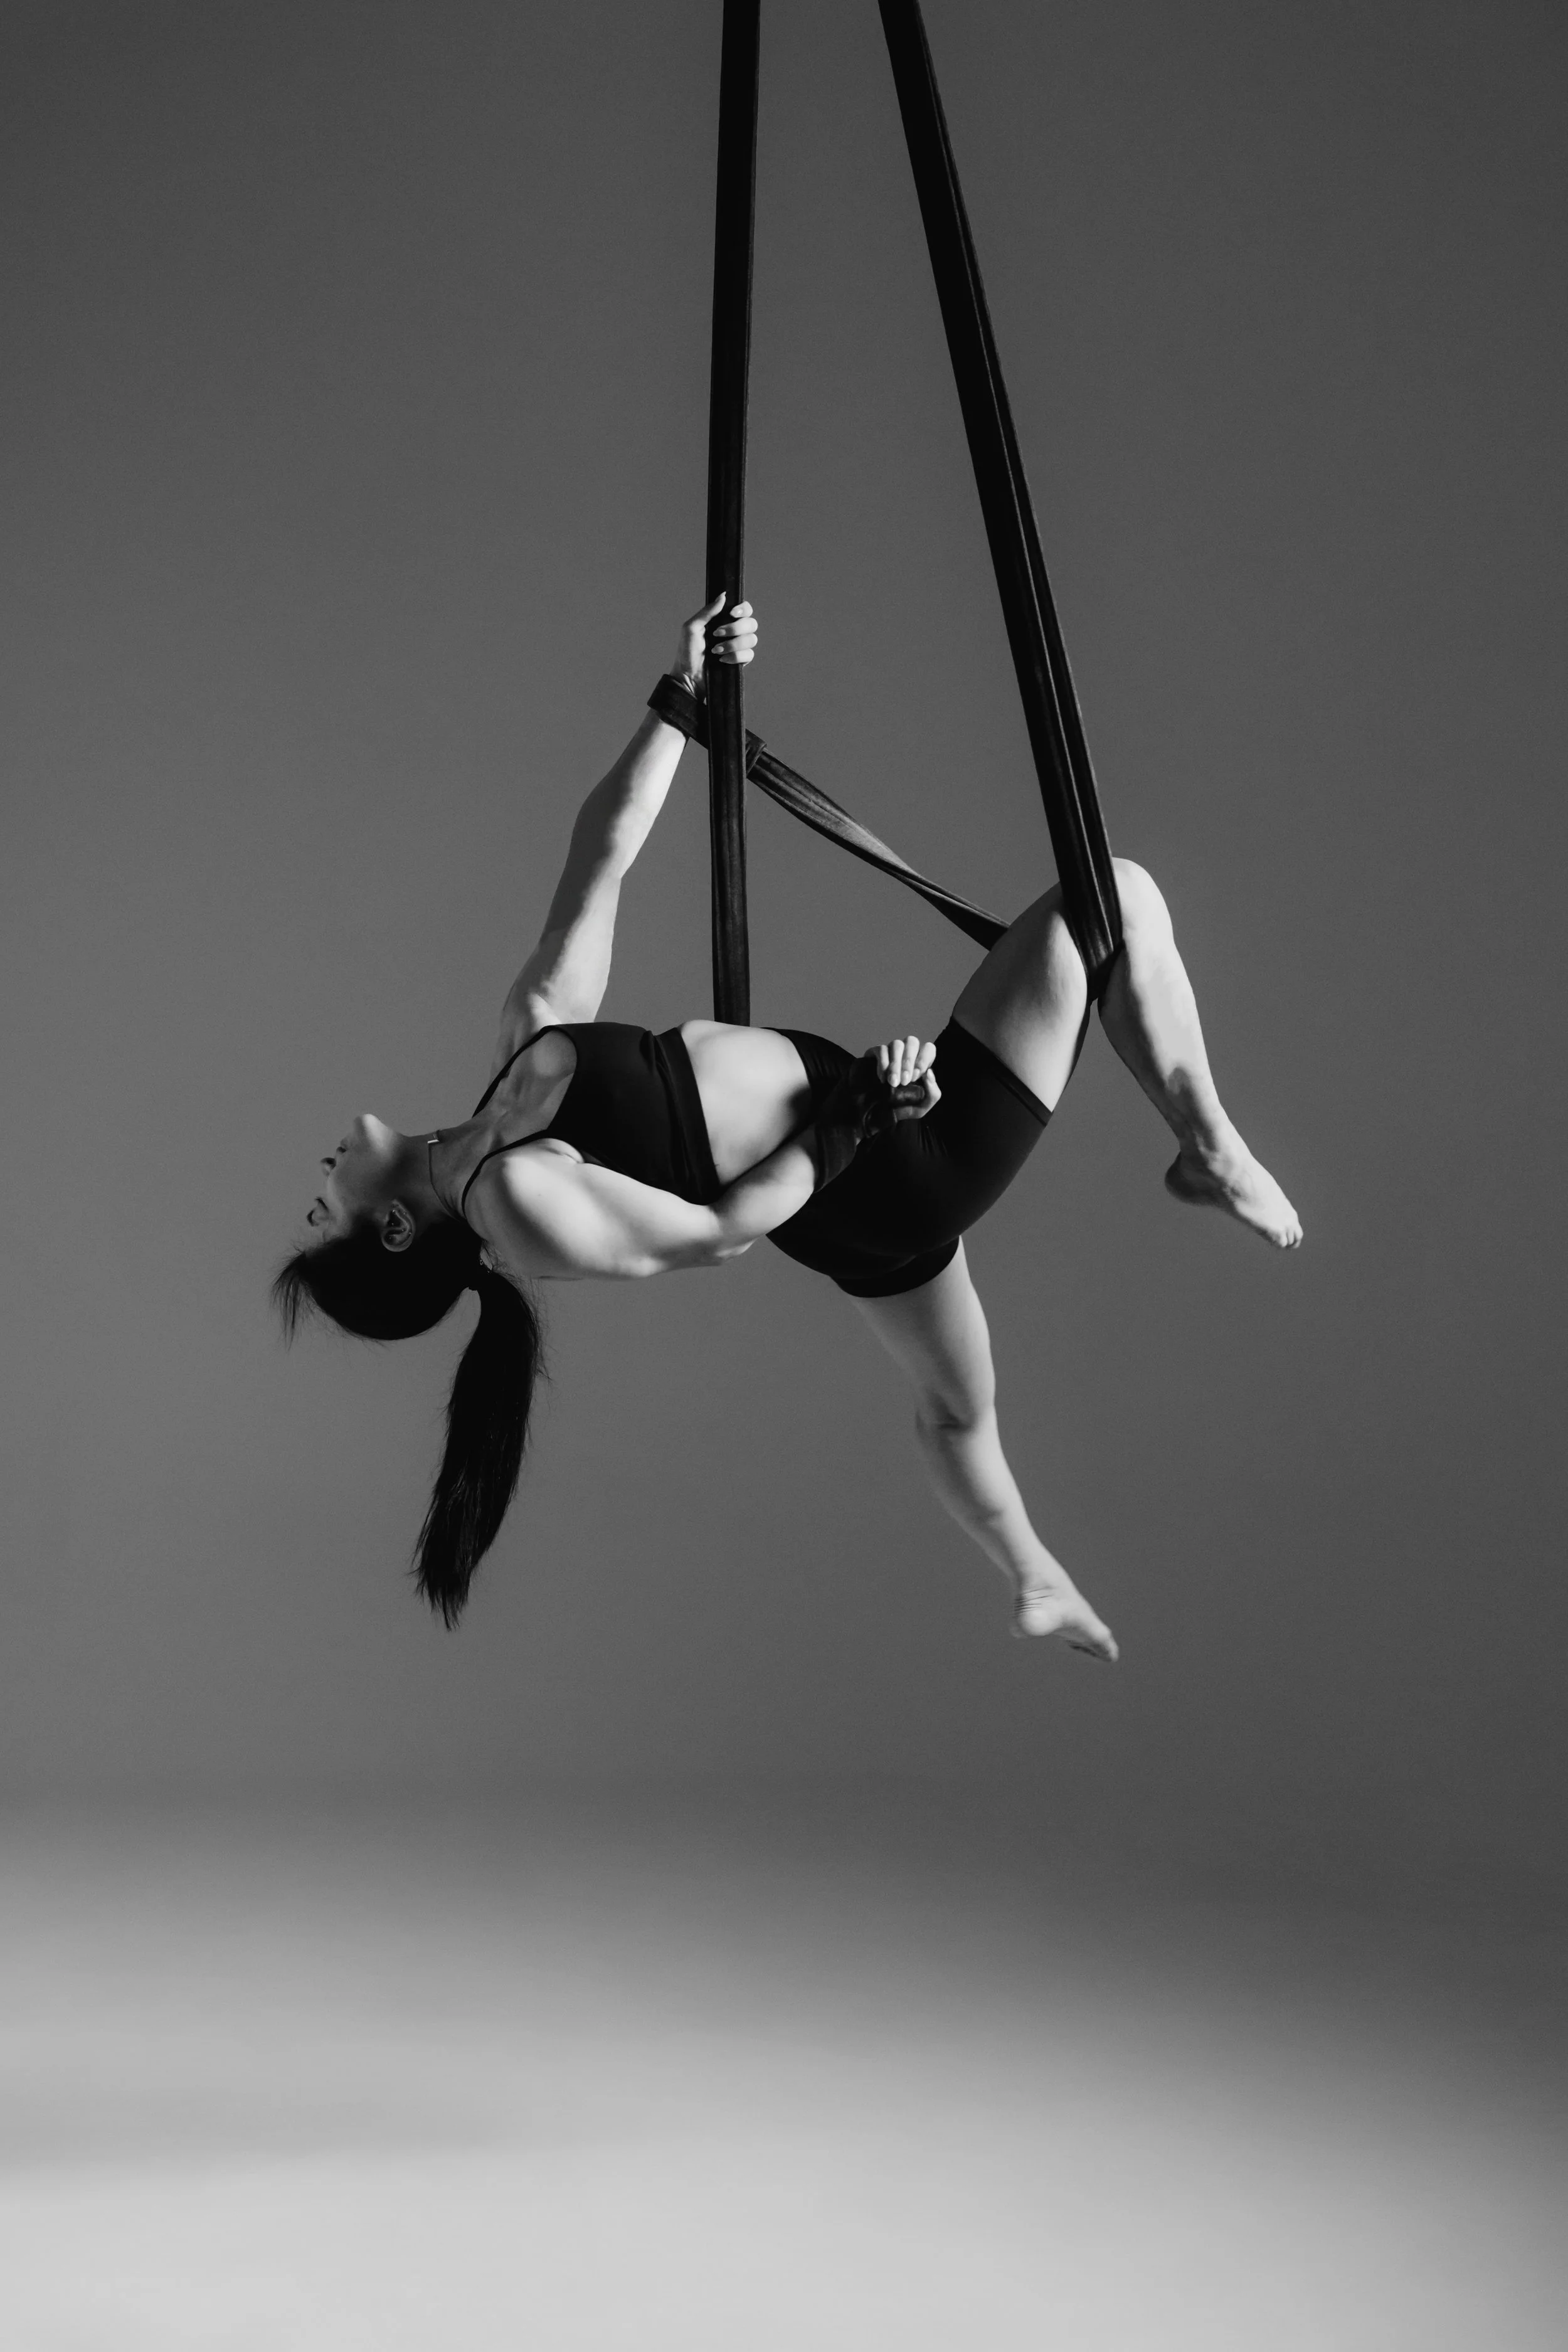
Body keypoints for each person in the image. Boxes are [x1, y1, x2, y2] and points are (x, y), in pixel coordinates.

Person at [277, 596, 1301, 1654]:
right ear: (394, 1230)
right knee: (1117, 898)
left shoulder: (518, 1062)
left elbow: (602, 859)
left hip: (855, 1186)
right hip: (887, 1159)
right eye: (322, 1211)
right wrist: (853, 1121)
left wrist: (679, 699)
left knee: (957, 1410)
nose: (317, 1179)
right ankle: (1208, 1144)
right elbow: (718, 1236)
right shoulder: (514, 1199)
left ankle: (1037, 1576)